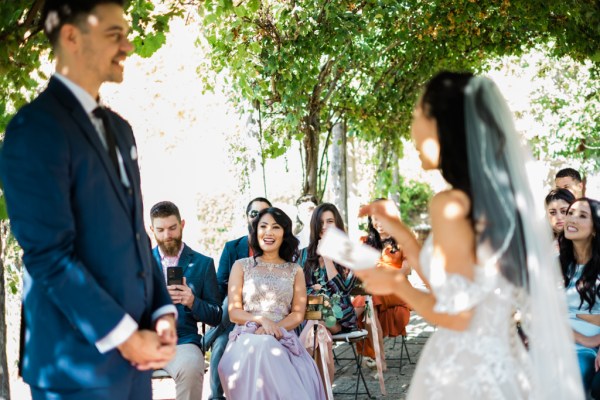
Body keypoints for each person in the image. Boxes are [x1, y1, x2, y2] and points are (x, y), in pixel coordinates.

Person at [354, 72, 583, 399]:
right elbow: (452, 283)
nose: (412, 132)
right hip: (504, 359)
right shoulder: (497, 202)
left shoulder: (450, 204)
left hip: (463, 369)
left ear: (444, 126)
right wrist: (402, 233)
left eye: (417, 116)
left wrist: (396, 285)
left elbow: (458, 315)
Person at [0, 1, 178, 398]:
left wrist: (161, 311)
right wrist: (125, 337)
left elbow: (136, 236)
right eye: (115, 34)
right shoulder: (33, 130)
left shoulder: (121, 129)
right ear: (71, 37)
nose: (128, 46)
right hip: (75, 371)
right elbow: (48, 255)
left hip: (136, 366)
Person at [218, 208, 326, 400]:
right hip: (246, 335)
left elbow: (297, 315)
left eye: (275, 227)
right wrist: (261, 321)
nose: (269, 232)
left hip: (281, 335)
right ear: (255, 231)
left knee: (269, 344)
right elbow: (234, 312)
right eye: (263, 226)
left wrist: (273, 328)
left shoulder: (295, 270)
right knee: (263, 345)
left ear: (284, 234)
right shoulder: (241, 266)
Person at [149, 201, 222, 400]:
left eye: (172, 228)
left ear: (182, 224)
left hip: (183, 341)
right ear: (151, 229)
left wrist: (192, 301)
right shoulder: (140, 262)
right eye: (161, 230)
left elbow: (216, 315)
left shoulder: (203, 264)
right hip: (145, 339)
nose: (167, 235)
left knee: (191, 368)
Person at [203, 197, 271, 400]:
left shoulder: (275, 247)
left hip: (262, 313)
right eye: (253, 214)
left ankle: (204, 341)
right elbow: (219, 283)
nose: (258, 218)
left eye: (263, 214)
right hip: (233, 313)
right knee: (221, 343)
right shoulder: (232, 247)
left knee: (220, 334)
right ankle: (216, 397)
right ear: (247, 218)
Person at [352, 199, 412, 367]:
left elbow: (406, 269)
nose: (378, 222)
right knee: (369, 300)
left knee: (368, 296)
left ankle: (346, 319)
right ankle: (381, 359)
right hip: (374, 290)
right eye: (374, 218)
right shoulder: (364, 241)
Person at [559, 198, 600, 394]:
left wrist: (593, 343)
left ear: (594, 229)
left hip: (585, 352)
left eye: (582, 215)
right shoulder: (553, 264)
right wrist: (584, 337)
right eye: (570, 213)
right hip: (553, 341)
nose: (571, 219)